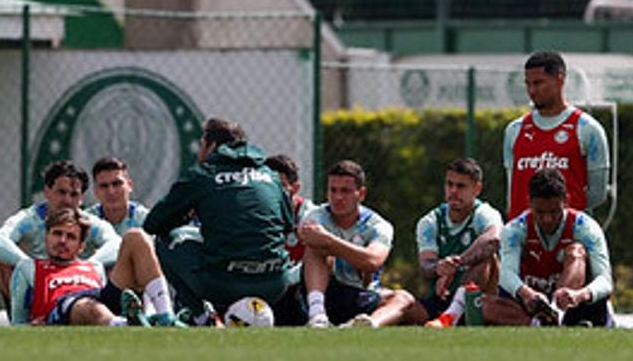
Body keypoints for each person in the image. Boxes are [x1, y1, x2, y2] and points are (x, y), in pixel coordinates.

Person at [143, 118, 298, 321]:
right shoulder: (271, 176)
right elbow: (288, 225)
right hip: (274, 285)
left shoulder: (202, 175)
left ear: (212, 146)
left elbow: (153, 224)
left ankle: (202, 317)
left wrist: (184, 216)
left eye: (201, 145)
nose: (199, 153)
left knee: (164, 240)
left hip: (223, 284)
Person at [486, 167, 614, 327]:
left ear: (566, 201)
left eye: (554, 212)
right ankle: (541, 323)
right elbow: (506, 274)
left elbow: (605, 281)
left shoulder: (585, 227)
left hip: (574, 306)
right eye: (540, 212)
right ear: (529, 202)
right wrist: (526, 293)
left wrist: (579, 295)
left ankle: (557, 313)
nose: (547, 219)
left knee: (576, 251)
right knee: (481, 305)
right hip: (531, 305)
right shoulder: (515, 230)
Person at [8, 208, 178, 326]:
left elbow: (105, 297)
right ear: (46, 238)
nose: (62, 241)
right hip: (64, 309)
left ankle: (165, 315)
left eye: (71, 237)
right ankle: (126, 325)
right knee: (87, 306)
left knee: (136, 237)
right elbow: (17, 322)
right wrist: (32, 326)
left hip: (99, 298)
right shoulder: (29, 267)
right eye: (57, 234)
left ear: (81, 246)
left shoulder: (94, 266)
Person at [297, 160, 416, 328]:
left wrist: (329, 241)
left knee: (405, 299)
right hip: (326, 292)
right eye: (333, 190)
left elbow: (373, 261)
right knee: (315, 247)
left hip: (361, 294)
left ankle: (366, 325)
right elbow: (308, 236)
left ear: (361, 194)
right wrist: (333, 246)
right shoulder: (315, 216)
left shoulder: (378, 225)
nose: (338, 197)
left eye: (345, 191)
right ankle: (317, 316)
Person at [0, 159, 121, 272]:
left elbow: (115, 244)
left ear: (82, 197)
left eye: (74, 194)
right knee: (5, 260)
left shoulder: (88, 222)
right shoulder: (29, 219)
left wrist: (90, 265)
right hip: (35, 285)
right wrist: (30, 266)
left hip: (78, 285)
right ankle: (22, 321)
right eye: (61, 192)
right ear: (47, 191)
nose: (67, 200)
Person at [502, 51, 611, 217]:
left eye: (538, 83)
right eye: (528, 84)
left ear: (560, 79)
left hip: (568, 238)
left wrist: (557, 217)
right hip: (523, 237)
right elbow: (512, 191)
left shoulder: (588, 129)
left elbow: (597, 194)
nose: (532, 91)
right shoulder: (514, 130)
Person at [415, 157, 503, 327]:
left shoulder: (484, 213)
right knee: (403, 302)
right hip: (440, 300)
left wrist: (455, 266)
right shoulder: (430, 221)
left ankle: (453, 314)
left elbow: (493, 240)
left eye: (461, 186)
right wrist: (438, 267)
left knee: (487, 257)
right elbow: (425, 266)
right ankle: (368, 324)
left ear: (477, 189)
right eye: (449, 184)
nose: (453, 191)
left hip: (479, 302)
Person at [90, 156, 149, 236]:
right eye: (104, 186)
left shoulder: (146, 220)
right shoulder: (87, 222)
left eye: (116, 184)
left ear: (130, 186)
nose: (111, 192)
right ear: (95, 191)